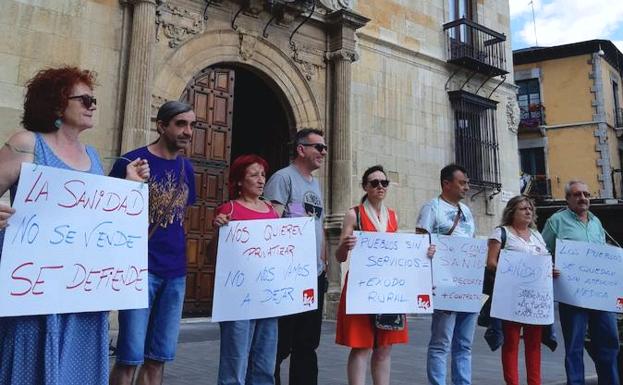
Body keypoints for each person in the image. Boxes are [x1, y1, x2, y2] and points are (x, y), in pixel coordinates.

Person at [0, 66, 149, 385]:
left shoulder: (93, 157)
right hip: (35, 291)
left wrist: (128, 186)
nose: (92, 104)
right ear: (56, 104)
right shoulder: (27, 144)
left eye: (93, 99)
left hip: (82, 292)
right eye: (84, 99)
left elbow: (99, 220)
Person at [109, 101, 197, 385]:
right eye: (181, 124)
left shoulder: (187, 169)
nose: (188, 131)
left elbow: (183, 215)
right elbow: (107, 214)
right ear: (161, 126)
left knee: (158, 359)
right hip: (139, 271)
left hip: (176, 274)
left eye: (192, 125)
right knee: (128, 358)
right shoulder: (130, 162)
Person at [335, 165, 435, 385]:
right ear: (365, 186)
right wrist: (346, 245)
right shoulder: (354, 214)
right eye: (374, 183)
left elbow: (399, 252)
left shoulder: (392, 216)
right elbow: (340, 256)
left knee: (384, 347)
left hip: (388, 287)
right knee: (362, 346)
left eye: (384, 183)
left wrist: (423, 252)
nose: (380, 186)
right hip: (362, 286)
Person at [263, 128, 327, 385]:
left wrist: (324, 263)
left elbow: (318, 224)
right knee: (280, 344)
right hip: (289, 277)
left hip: (315, 275)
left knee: (307, 344)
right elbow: (271, 222)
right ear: (301, 149)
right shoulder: (282, 178)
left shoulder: (315, 183)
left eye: (324, 148)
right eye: (318, 147)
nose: (323, 152)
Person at [210, 154, 280, 385]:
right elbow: (212, 256)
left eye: (263, 175)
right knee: (235, 365)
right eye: (254, 175)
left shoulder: (271, 210)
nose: (261, 180)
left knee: (264, 366)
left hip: (267, 299)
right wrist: (218, 232)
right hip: (238, 301)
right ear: (239, 181)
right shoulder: (229, 210)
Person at [542, 180, 620, 385]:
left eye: (586, 194)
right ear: (568, 198)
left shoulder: (596, 222)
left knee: (609, 342)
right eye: (577, 194)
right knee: (575, 346)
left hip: (601, 297)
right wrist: (548, 267)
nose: (583, 198)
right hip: (572, 296)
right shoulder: (555, 221)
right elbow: (541, 252)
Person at [416, 164, 477, 385]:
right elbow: (420, 243)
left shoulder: (468, 212)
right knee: (441, 342)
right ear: (446, 184)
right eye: (462, 183)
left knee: (464, 344)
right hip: (444, 286)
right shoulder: (432, 208)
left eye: (467, 183)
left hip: (467, 285)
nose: (467, 187)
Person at [486, 196, 551, 385]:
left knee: (533, 345)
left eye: (530, 208)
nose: (528, 212)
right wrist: (514, 272)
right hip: (510, 297)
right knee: (511, 343)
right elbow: (491, 263)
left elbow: (544, 260)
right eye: (523, 209)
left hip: (535, 298)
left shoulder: (537, 235)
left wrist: (550, 269)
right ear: (512, 212)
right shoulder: (501, 233)